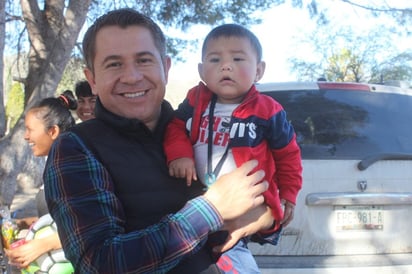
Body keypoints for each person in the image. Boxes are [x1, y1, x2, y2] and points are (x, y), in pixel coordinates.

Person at [43, 8, 273, 274]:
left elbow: (258, 204)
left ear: (165, 67)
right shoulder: (76, 147)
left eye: (144, 60)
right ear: (92, 79)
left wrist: (268, 218)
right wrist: (211, 209)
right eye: (114, 64)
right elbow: (99, 263)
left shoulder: (198, 129)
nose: (132, 77)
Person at [163, 24, 303, 273]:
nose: (225, 66)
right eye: (215, 59)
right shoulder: (195, 100)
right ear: (201, 70)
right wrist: (181, 155)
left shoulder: (269, 111)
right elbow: (174, 127)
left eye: (238, 58)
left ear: (259, 70)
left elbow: (288, 155)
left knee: (233, 254)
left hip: (242, 207)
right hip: (195, 201)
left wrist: (288, 194)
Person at [5, 90, 77, 270]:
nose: (25, 136)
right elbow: (60, 219)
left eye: (30, 129)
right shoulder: (55, 167)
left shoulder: (74, 171)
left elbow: (90, 225)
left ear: (53, 131)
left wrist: (42, 245)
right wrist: (25, 224)